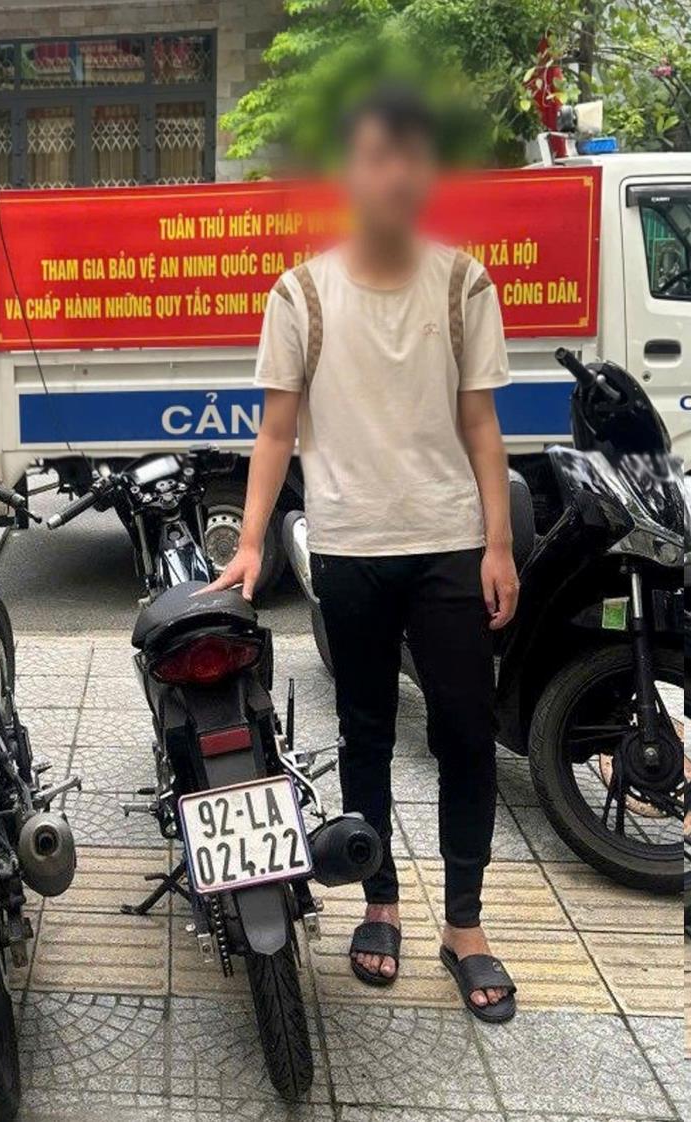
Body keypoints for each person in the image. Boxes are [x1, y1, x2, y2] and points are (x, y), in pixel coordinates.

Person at [204, 86, 520, 1023]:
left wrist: (499, 543)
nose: (396, 174)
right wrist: (250, 542)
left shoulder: (463, 285)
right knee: (366, 730)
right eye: (378, 156)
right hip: (349, 546)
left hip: (450, 543)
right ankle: (379, 900)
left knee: (466, 733)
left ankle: (465, 923)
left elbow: (480, 422)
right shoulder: (302, 293)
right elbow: (275, 430)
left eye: (411, 157)